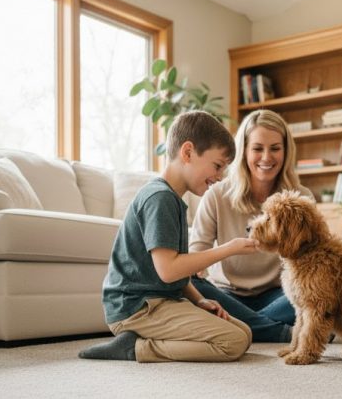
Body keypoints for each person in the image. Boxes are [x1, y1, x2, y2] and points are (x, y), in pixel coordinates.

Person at [79, 111, 256, 362]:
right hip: (137, 308)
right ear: (187, 152)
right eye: (217, 166)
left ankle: (144, 341)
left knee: (244, 333)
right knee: (233, 342)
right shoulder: (159, 198)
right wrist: (229, 248)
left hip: (161, 301)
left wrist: (200, 300)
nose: (219, 177)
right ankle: (134, 348)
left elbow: (177, 272)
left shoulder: (172, 199)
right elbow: (169, 270)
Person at [189, 109, 313, 342]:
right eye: (257, 148)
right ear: (244, 151)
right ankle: (280, 332)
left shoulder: (300, 198)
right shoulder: (216, 195)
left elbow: (311, 261)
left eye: (275, 148)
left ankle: (242, 326)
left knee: (314, 291)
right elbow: (194, 259)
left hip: (280, 294)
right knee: (192, 285)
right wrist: (230, 249)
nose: (266, 157)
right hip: (227, 294)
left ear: (286, 151)